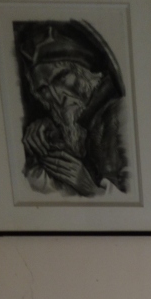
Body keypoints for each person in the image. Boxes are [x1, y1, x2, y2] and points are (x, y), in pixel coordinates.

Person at [13, 19, 130, 197]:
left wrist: (92, 190)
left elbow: (139, 199)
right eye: (43, 89)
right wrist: (40, 145)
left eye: (61, 78)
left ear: (85, 71)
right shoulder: (68, 123)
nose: (56, 97)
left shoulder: (123, 117)